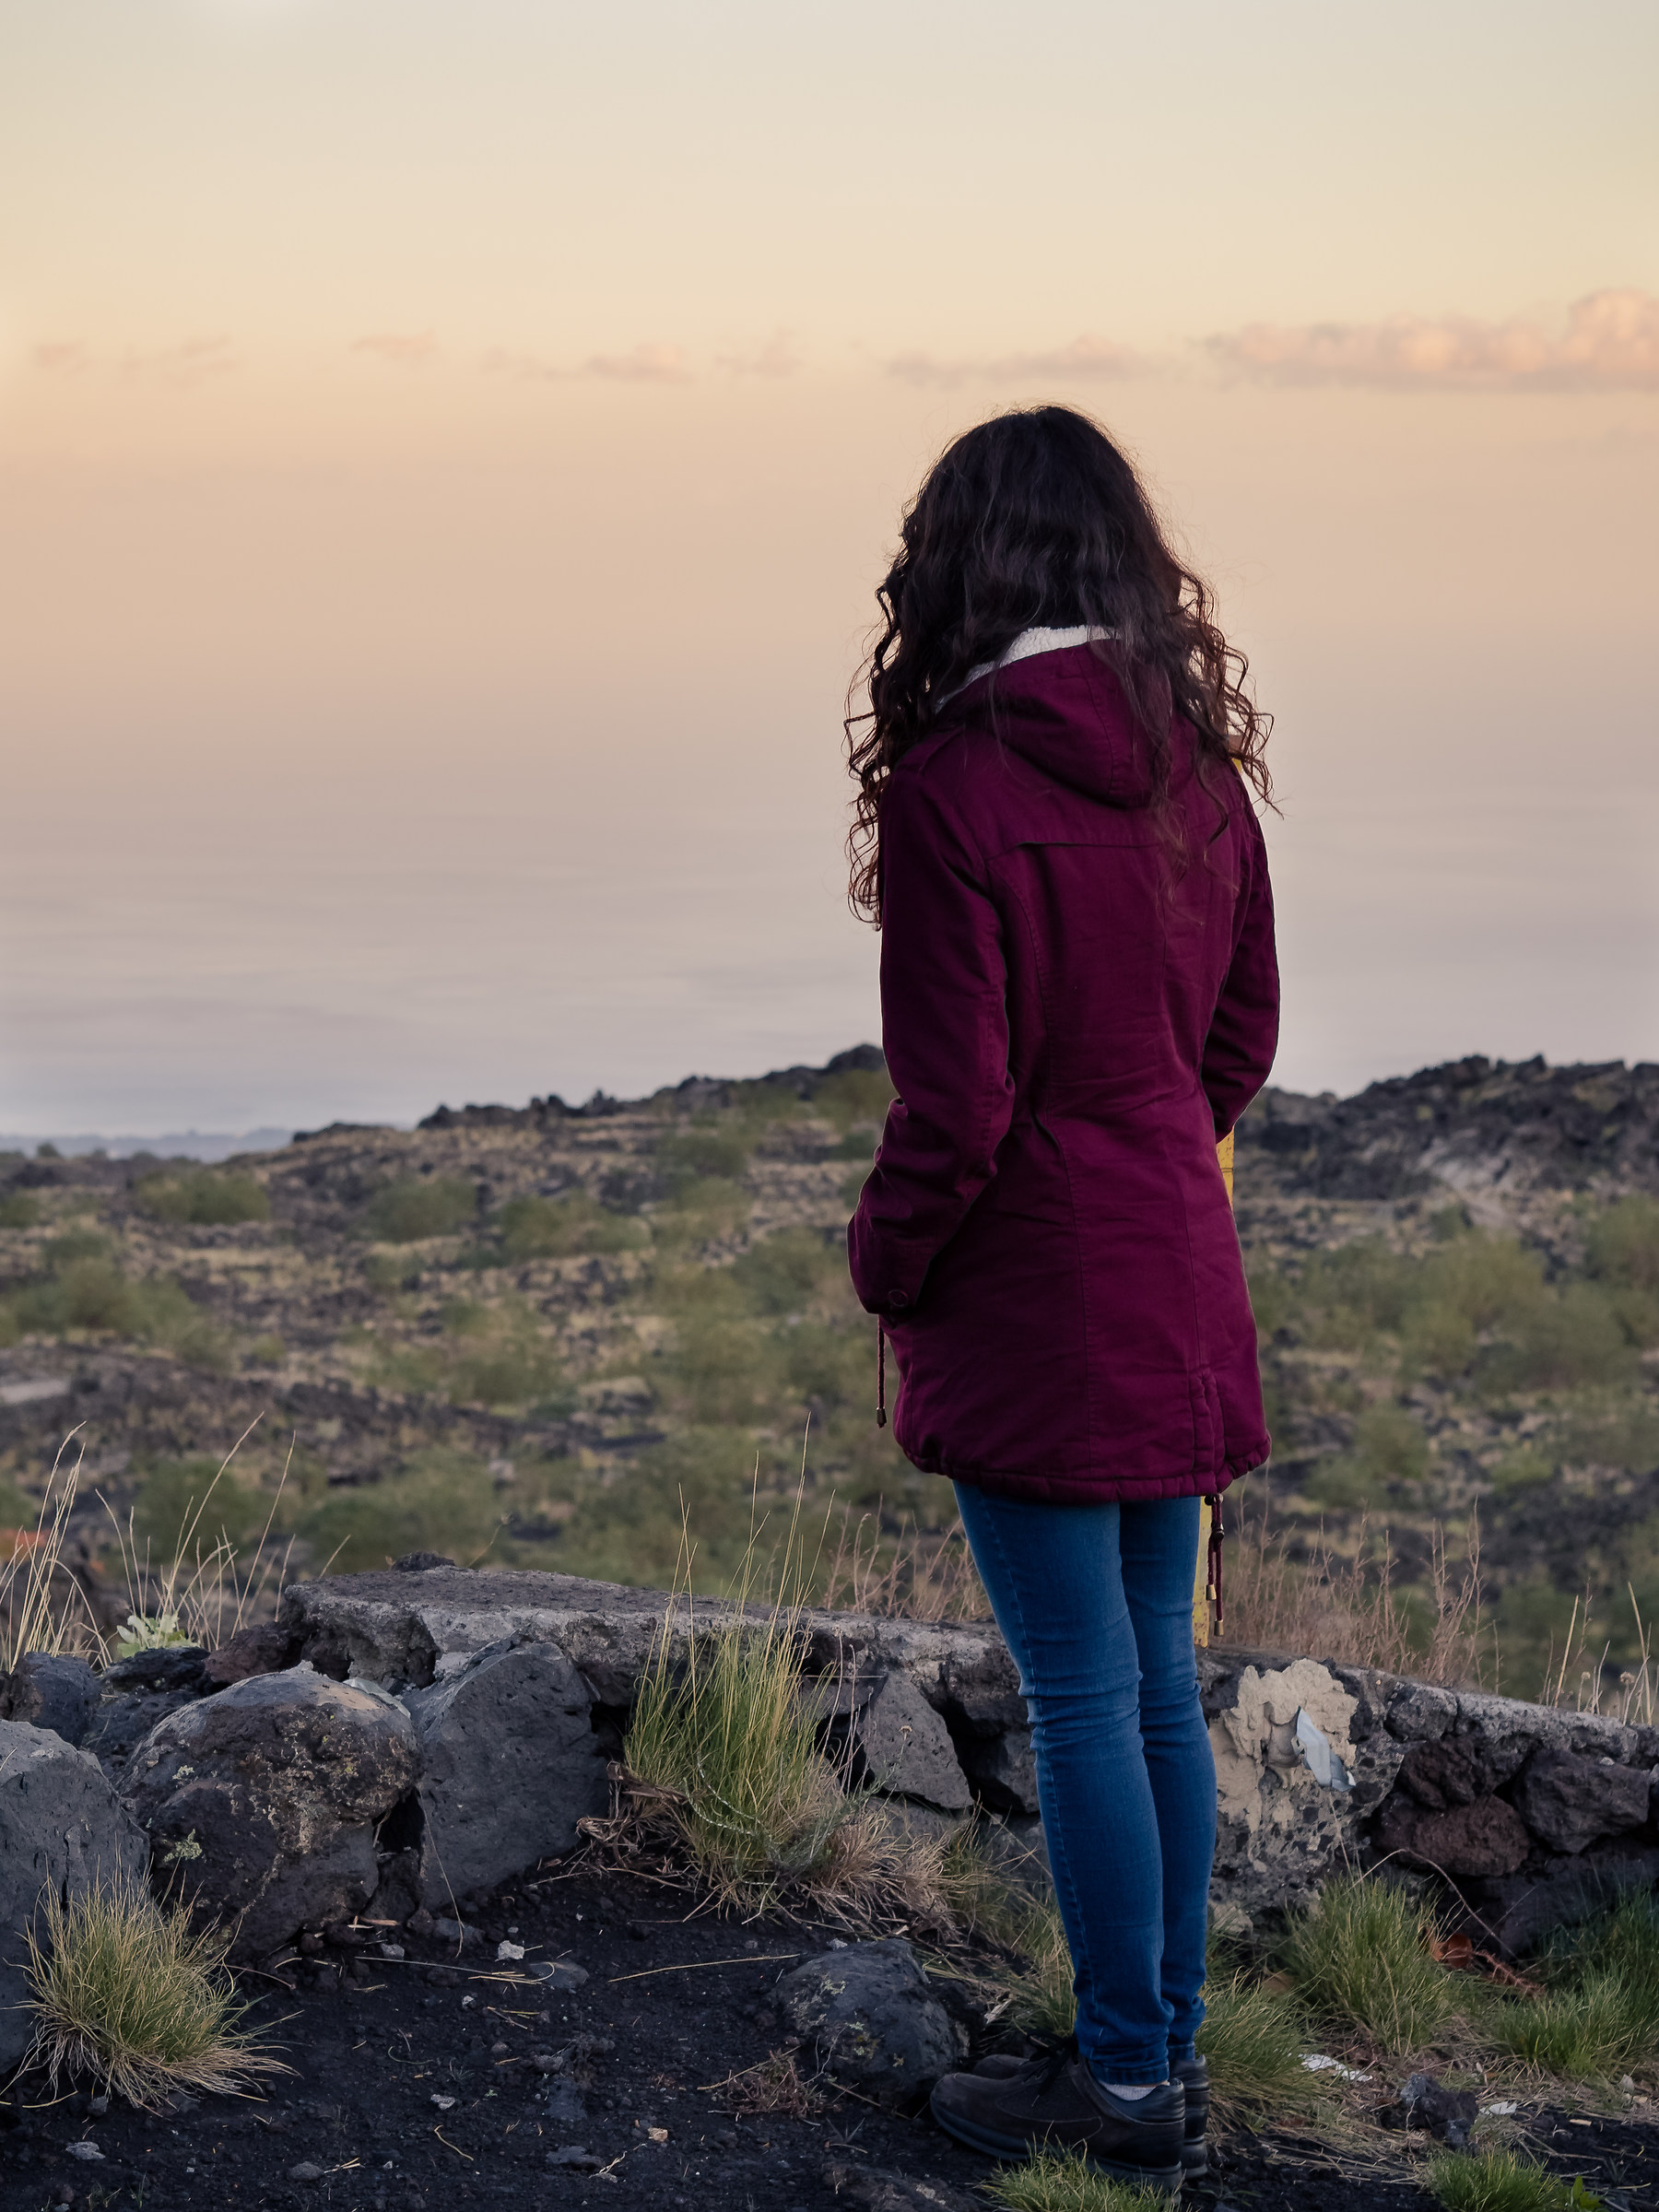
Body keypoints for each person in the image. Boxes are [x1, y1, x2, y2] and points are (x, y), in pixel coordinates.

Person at [844, 406, 1278, 2189]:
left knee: (1090, 1699)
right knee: (1153, 1686)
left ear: (964, 563)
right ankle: (1153, 2057)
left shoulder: (960, 788)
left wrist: (885, 1267)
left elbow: (954, 1109)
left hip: (1032, 1300)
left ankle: (1117, 2092)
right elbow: (1240, 1043)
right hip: (1172, 1275)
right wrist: (1148, 1152)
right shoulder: (1201, 777)